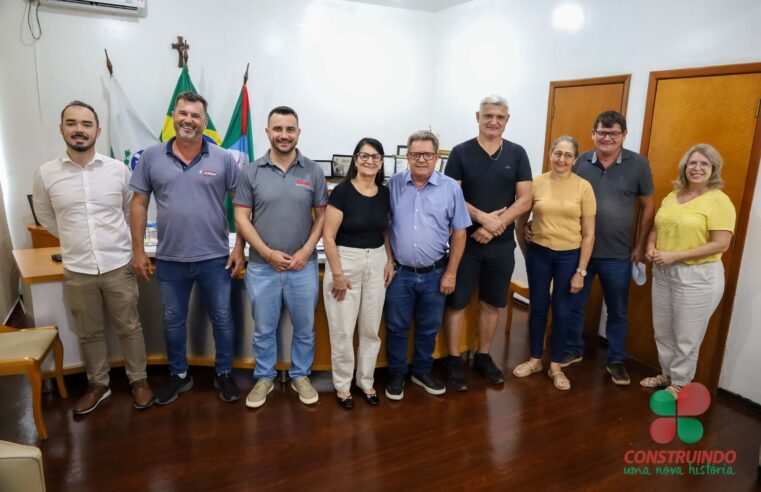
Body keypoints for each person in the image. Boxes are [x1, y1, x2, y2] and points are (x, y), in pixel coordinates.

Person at [33, 101, 153, 414]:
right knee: (89, 332)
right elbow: (47, 217)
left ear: (97, 131)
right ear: (61, 129)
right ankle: (98, 384)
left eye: (86, 124)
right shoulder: (46, 174)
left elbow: (132, 211)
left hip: (117, 263)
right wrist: (76, 239)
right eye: (71, 123)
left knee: (130, 327)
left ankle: (139, 381)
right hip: (78, 268)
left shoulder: (118, 170)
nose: (79, 129)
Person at [130, 92, 245, 405]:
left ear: (205, 122)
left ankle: (223, 373)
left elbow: (241, 205)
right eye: (183, 114)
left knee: (222, 318)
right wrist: (138, 251)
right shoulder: (151, 157)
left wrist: (240, 248)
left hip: (215, 258)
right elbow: (139, 203)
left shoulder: (223, 158)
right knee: (172, 321)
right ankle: (179, 375)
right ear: (173, 117)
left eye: (195, 116)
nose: (188, 120)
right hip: (170, 259)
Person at [234, 106, 328, 408]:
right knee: (264, 328)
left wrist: (305, 251)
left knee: (305, 328)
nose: (284, 135)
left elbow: (321, 216)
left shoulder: (312, 170)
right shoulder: (250, 171)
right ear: (267, 132)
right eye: (278, 129)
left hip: (304, 267)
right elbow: (241, 218)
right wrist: (266, 253)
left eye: (290, 129)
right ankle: (264, 378)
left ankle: (301, 375)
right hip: (263, 268)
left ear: (298, 132)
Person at [552, 110, 655, 386]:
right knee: (574, 303)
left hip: (618, 255)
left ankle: (617, 360)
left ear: (623, 135)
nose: (607, 138)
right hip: (578, 251)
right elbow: (560, 192)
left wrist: (640, 244)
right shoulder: (580, 160)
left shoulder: (638, 164)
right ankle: (573, 349)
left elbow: (648, 205)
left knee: (618, 309)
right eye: (602, 132)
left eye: (613, 133)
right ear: (593, 134)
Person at [443, 94, 532, 390]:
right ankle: (454, 360)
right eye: (488, 115)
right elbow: (452, 196)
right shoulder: (460, 153)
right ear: (477, 116)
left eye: (500, 117)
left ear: (507, 120)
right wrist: (483, 219)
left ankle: (483, 356)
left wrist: (496, 226)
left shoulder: (517, 154)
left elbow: (526, 199)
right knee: (456, 304)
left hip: (501, 246)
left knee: (492, 303)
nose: (494, 121)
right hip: (464, 244)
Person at [642, 144, 735, 398]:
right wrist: (650, 246)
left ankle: (681, 383)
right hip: (663, 273)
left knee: (686, 336)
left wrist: (676, 255)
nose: (697, 168)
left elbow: (721, 243)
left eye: (705, 164)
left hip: (697, 277)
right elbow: (657, 227)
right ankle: (667, 374)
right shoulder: (673, 196)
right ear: (685, 166)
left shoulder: (719, 201)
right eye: (693, 163)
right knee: (662, 329)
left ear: (713, 169)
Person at [384, 130, 471, 401]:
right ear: (407, 156)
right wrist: (388, 259)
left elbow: (459, 232)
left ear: (437, 157)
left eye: (428, 154)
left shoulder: (451, 188)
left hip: (435, 272)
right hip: (400, 273)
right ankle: (397, 372)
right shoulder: (393, 185)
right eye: (415, 154)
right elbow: (384, 227)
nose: (421, 159)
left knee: (429, 327)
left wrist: (451, 273)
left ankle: (421, 371)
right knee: (396, 326)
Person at [514, 136, 596, 390]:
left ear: (575, 159)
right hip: (538, 253)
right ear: (550, 153)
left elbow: (589, 234)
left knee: (562, 311)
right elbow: (520, 221)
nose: (562, 159)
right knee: (538, 307)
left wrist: (581, 271)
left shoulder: (584, 187)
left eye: (568, 155)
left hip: (569, 257)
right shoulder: (535, 183)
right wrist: (527, 249)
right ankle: (536, 359)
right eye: (558, 153)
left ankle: (556, 365)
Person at [322, 138, 395, 409]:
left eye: (375, 157)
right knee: (342, 330)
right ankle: (342, 386)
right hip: (346, 261)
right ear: (355, 160)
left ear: (381, 162)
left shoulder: (385, 193)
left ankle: (366, 382)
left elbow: (385, 230)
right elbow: (328, 236)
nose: (369, 161)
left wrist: (390, 260)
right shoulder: (341, 192)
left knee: (370, 329)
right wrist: (338, 274)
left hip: (376, 261)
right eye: (364, 156)